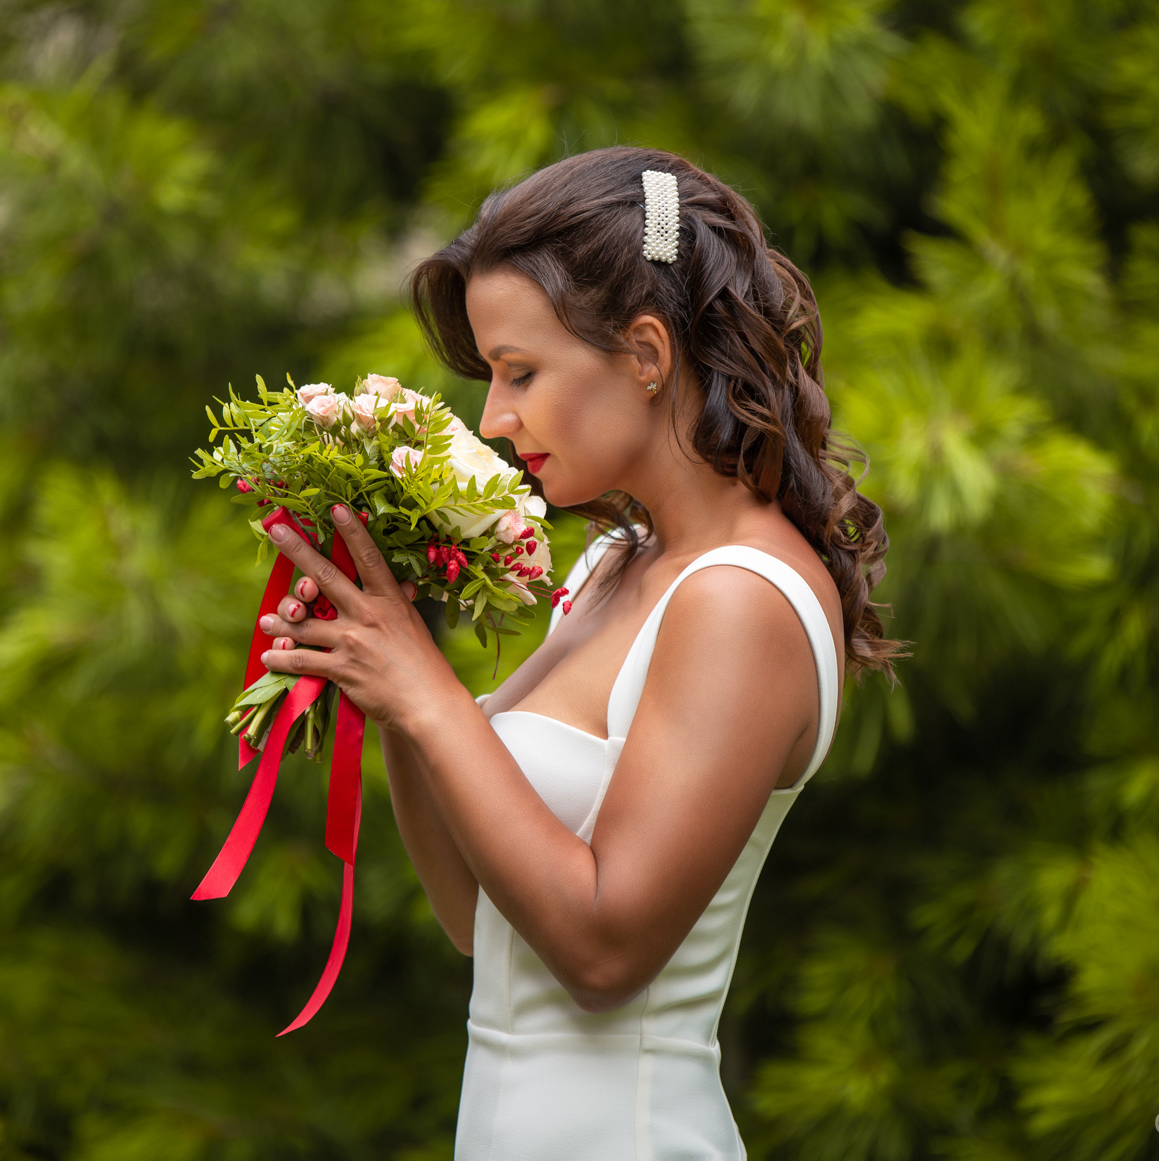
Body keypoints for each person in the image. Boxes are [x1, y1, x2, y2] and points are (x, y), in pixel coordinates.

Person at [252, 146, 900, 1159]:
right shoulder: (611, 566)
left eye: (521, 372)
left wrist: (426, 697)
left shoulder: (740, 600)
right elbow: (476, 916)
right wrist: (389, 667)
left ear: (645, 354)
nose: (493, 419)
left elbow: (604, 953)